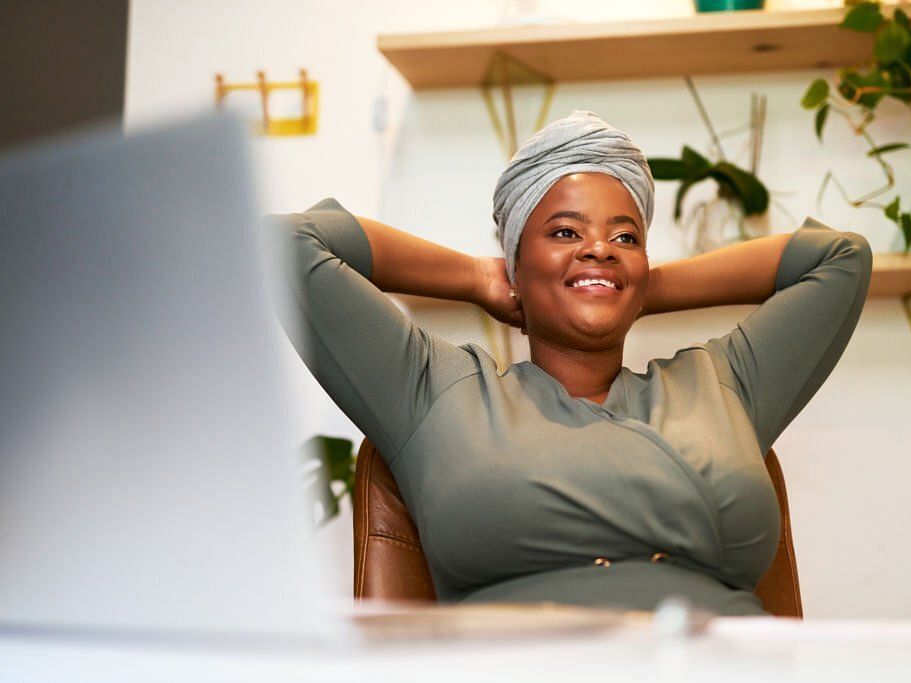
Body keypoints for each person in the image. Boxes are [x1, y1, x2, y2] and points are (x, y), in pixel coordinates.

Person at [262, 110, 872, 616]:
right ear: (514, 264)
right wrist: (482, 278)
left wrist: (629, 285)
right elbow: (289, 243)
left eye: (626, 236)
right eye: (563, 233)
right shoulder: (438, 393)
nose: (601, 246)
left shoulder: (720, 384)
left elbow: (840, 258)